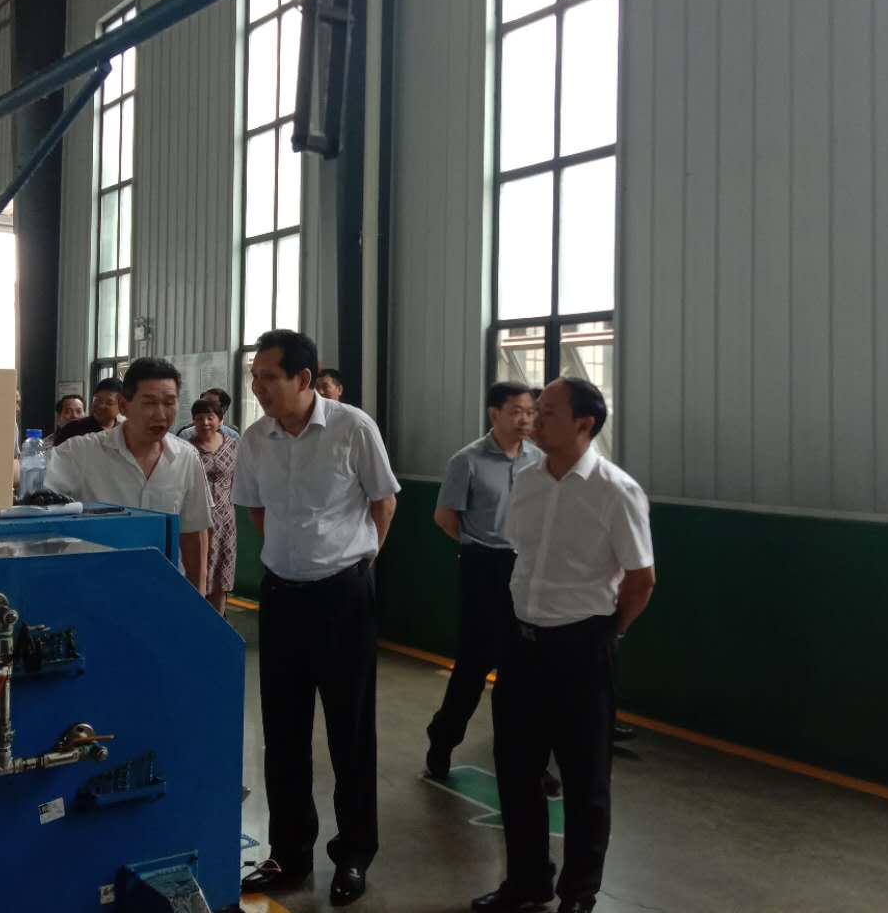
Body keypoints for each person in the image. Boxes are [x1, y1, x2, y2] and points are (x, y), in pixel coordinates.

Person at [473, 379, 655, 913]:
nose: (534, 420)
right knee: (517, 770)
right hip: (523, 645)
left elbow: (641, 579)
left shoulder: (616, 490)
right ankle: (528, 881)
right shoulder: (527, 479)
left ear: (584, 424)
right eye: (534, 410)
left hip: (582, 649)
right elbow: (522, 555)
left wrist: (606, 633)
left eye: (547, 412)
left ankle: (579, 893)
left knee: (585, 778)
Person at [233, 330, 399, 908]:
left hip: (344, 597)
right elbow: (257, 509)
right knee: (282, 732)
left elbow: (384, 501)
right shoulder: (255, 439)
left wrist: (359, 559)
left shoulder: (353, 428)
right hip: (281, 597)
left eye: (268, 377)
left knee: (350, 732)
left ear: (304, 378)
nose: (258, 388)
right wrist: (292, 554)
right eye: (254, 377)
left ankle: (353, 853)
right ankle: (289, 853)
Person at [425, 382, 543, 779]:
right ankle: (442, 739)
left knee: (523, 666)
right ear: (495, 414)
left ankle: (523, 757)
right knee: (475, 664)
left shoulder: (539, 460)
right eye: (517, 411)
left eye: (531, 412)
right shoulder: (467, 460)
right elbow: (445, 518)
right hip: (483, 566)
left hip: (527, 566)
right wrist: (479, 546)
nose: (526, 419)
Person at [44, 358, 212, 591]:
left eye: (169, 402)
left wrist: (197, 596)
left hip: (164, 587)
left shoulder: (186, 457)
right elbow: (27, 470)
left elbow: (194, 532)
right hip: (98, 587)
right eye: (149, 403)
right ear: (124, 406)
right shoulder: (83, 452)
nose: (161, 414)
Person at [188, 396, 239, 615]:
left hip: (226, 522)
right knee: (197, 575)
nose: (205, 422)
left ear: (220, 420)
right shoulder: (186, 449)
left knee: (221, 579)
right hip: (197, 522)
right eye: (199, 418)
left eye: (210, 417)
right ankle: (198, 623)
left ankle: (219, 621)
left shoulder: (234, 446)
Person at [52, 377, 124, 446]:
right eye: (97, 400)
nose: (101, 406)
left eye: (109, 402)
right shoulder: (72, 430)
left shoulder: (123, 432)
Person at [176, 387, 241, 441]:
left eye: (212, 403)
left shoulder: (233, 435)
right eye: (202, 402)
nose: (204, 406)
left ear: (224, 408)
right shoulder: (186, 434)